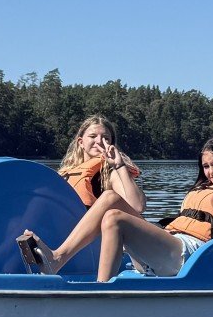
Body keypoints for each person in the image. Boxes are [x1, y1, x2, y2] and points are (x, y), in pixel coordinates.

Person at [94, 138, 213, 283]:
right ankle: (75, 260)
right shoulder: (203, 187)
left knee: (114, 218)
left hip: (190, 254)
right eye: (206, 166)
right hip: (169, 247)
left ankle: (100, 290)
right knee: (111, 201)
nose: (211, 172)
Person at [17, 115, 146, 273]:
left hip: (100, 247)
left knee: (109, 198)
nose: (99, 141)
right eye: (93, 136)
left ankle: (56, 259)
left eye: (105, 138)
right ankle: (6, 262)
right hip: (74, 244)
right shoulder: (68, 174)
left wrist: (119, 166)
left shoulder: (112, 173)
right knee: (37, 200)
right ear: (81, 142)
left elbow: (136, 207)